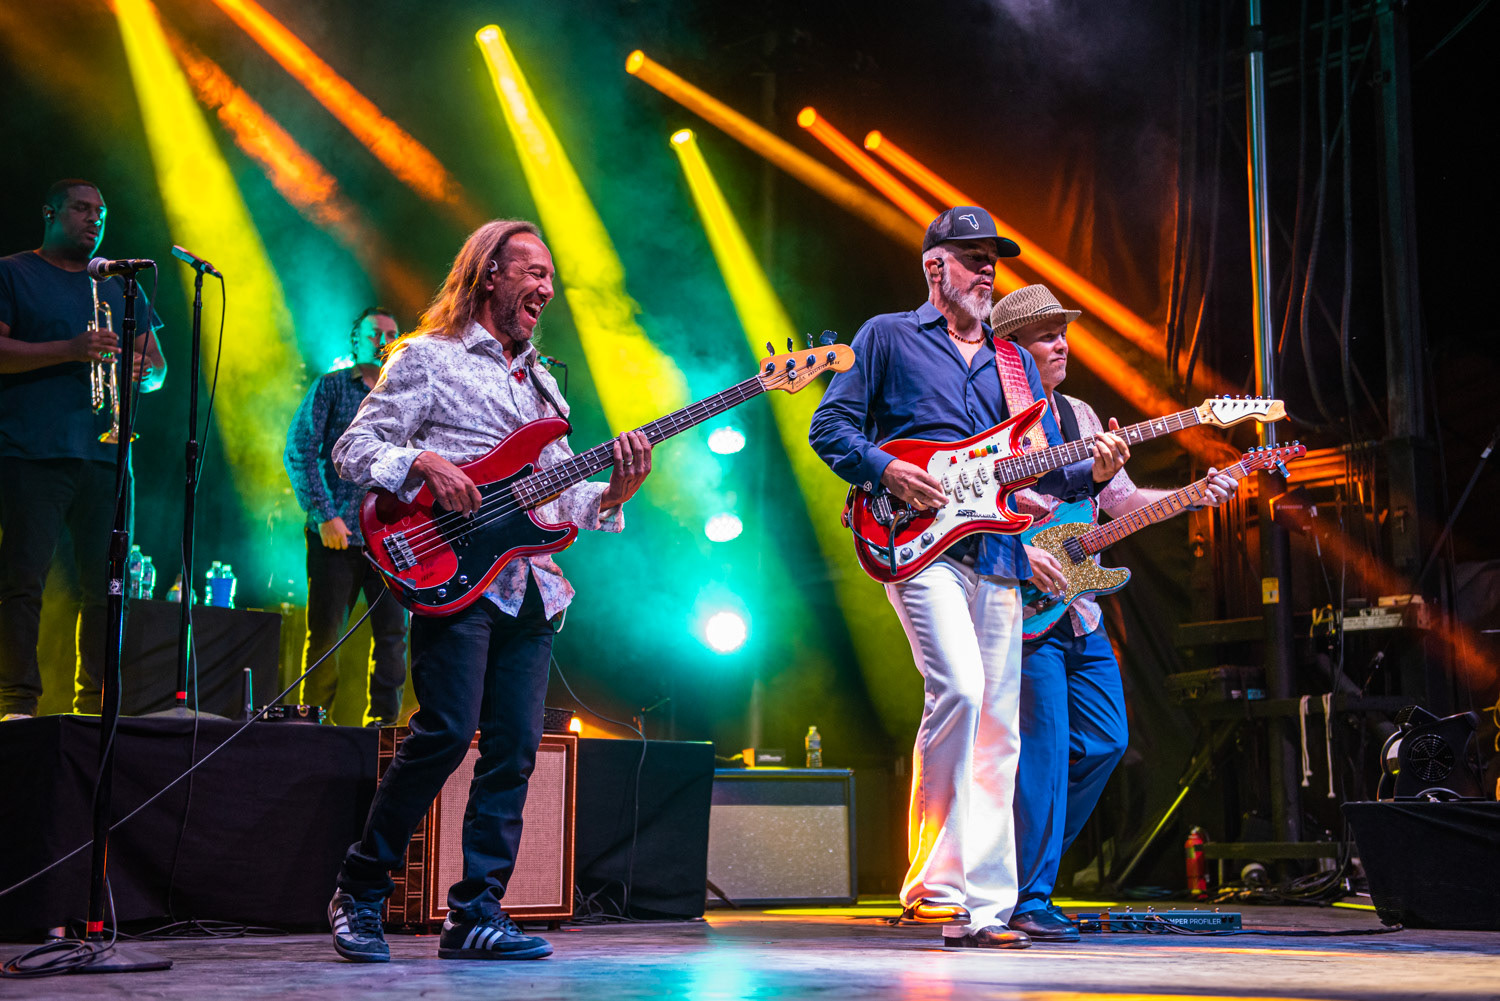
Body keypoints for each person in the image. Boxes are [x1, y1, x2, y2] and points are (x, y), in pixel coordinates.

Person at [325, 219, 652, 963]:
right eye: (533, 272)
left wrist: (614, 492)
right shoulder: (427, 357)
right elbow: (352, 448)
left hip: (530, 585)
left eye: (551, 277)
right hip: (451, 570)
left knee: (513, 752)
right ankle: (360, 888)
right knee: (444, 732)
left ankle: (475, 912)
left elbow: (556, 493)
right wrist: (421, 463)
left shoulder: (543, 383)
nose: (546, 288)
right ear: (488, 274)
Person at [810, 207, 1129, 949]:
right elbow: (831, 427)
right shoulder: (886, 336)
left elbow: (1042, 468)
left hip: (1000, 553)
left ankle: (989, 907)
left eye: (993, 259)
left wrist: (1095, 469)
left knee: (1000, 728)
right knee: (956, 686)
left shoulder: (1015, 364)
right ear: (935, 267)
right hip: (915, 541)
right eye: (973, 257)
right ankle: (933, 886)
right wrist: (888, 467)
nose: (988, 270)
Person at [991, 284, 1238, 941]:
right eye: (1046, 336)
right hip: (1023, 607)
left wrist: (1193, 494)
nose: (1062, 344)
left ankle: (1013, 864)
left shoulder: (1080, 414)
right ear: (1011, 349)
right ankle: (1028, 895)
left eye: (1063, 333)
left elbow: (1120, 502)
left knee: (1106, 741)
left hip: (1081, 608)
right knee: (1043, 755)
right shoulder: (987, 416)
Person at [0, 179, 166, 721]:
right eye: (81, 208)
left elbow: (157, 367)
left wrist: (143, 373)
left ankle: (93, 706)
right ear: (50, 212)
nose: (94, 218)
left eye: (101, 211)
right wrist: (70, 350)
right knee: (23, 582)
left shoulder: (120, 287)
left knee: (107, 589)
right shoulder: (13, 272)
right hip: (32, 451)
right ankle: (16, 703)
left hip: (107, 459)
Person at [284, 307, 409, 726]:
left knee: (393, 637)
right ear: (355, 341)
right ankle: (313, 725)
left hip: (392, 539)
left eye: (392, 334)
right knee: (325, 635)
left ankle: (383, 727)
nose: (384, 341)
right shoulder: (332, 387)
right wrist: (323, 514)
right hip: (337, 533)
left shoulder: (406, 396)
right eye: (375, 333)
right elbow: (300, 451)